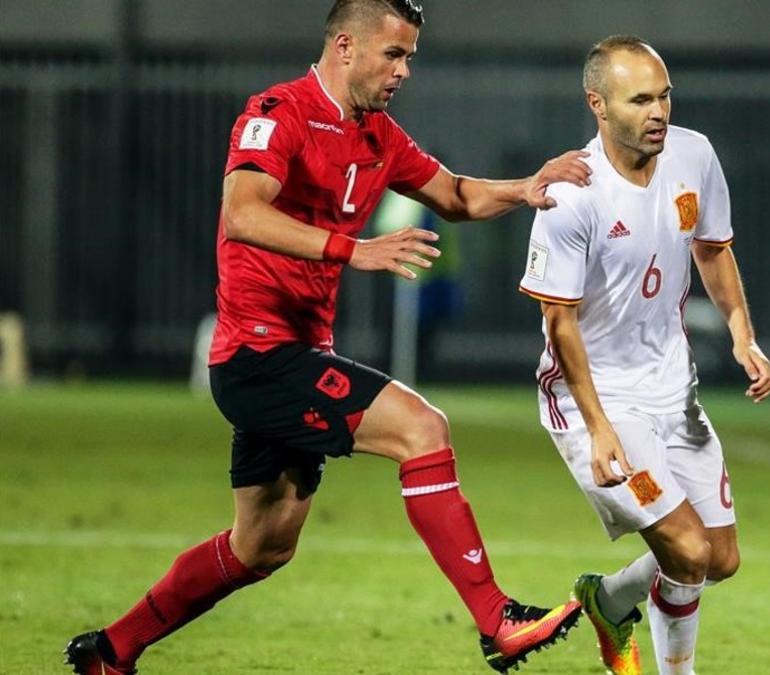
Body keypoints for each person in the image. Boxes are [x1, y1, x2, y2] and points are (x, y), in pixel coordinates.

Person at [64, 2, 591, 673]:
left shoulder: (380, 137)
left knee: (261, 546)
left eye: (410, 59)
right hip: (257, 353)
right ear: (346, 45)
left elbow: (455, 194)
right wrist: (353, 250)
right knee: (422, 428)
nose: (403, 71)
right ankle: (497, 619)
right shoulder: (277, 112)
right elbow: (242, 212)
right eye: (392, 55)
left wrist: (526, 187)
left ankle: (111, 650)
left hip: (295, 356)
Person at [517, 36, 770, 675]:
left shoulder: (694, 154)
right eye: (640, 100)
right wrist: (600, 428)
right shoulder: (572, 194)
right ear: (597, 105)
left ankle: (606, 601)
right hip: (597, 399)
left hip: (672, 389)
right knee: (685, 552)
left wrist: (743, 334)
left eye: (664, 96)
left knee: (721, 559)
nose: (658, 111)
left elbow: (713, 248)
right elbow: (560, 321)